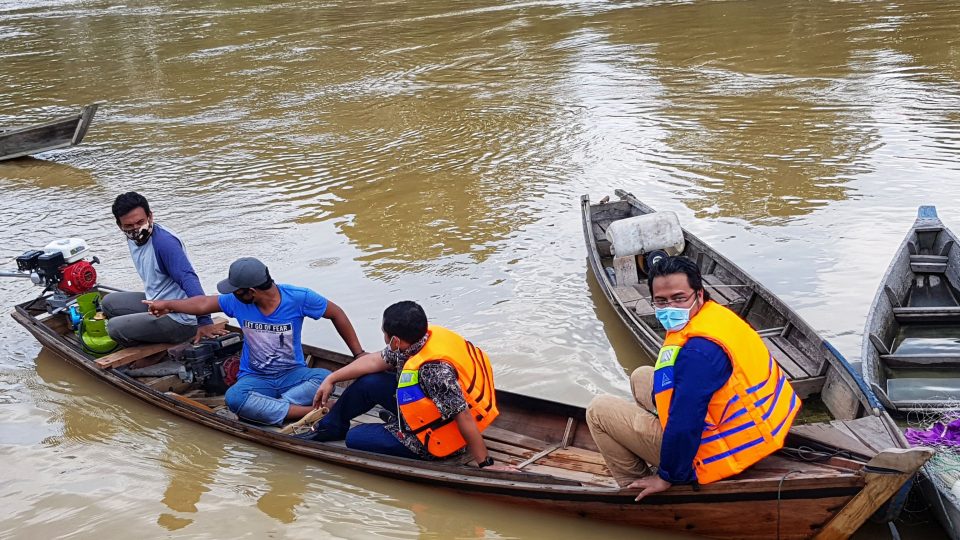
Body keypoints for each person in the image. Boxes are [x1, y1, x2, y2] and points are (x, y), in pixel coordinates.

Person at [586, 255, 800, 500]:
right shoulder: (717, 317)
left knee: (598, 410)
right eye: (661, 301)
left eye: (679, 298)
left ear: (698, 294)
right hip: (761, 431)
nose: (670, 308)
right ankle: (655, 450)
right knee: (642, 376)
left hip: (718, 455)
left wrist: (667, 476)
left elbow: (685, 421)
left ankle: (635, 490)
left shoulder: (699, 352)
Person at [144, 257, 365, 426]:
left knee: (325, 377)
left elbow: (337, 313)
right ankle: (308, 411)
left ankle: (273, 409)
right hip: (255, 378)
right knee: (235, 397)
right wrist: (167, 305)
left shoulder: (299, 298)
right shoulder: (237, 301)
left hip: (293, 375)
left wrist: (358, 354)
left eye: (236, 291)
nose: (232, 294)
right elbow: (202, 304)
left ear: (250, 292)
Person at [296, 301, 513, 472]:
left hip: (437, 438)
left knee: (356, 437)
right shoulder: (420, 338)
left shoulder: (434, 370)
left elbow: (462, 416)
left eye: (385, 333)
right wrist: (331, 379)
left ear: (396, 340)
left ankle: (398, 430)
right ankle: (330, 427)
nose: (383, 337)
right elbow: (373, 361)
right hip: (431, 411)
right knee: (369, 382)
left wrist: (486, 464)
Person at [103, 192, 224, 346]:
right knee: (108, 303)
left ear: (150, 217)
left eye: (140, 222)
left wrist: (204, 320)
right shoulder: (132, 237)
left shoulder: (164, 244)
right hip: (156, 300)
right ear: (120, 226)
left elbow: (188, 278)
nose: (136, 229)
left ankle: (154, 353)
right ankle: (153, 336)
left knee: (114, 328)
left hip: (181, 319)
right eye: (129, 226)